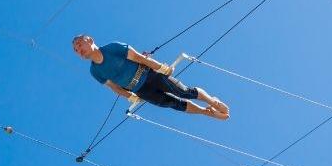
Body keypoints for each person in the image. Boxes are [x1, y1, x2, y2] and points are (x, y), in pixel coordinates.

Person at [71, 35, 229, 119]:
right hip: (141, 91)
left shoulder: (112, 47)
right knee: (173, 104)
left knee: (183, 92)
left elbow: (139, 57)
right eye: (76, 50)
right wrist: (130, 97)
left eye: (79, 44)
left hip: (149, 75)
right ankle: (205, 112)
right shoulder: (95, 71)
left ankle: (211, 101)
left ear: (90, 40)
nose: (79, 49)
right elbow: (114, 87)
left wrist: (160, 67)